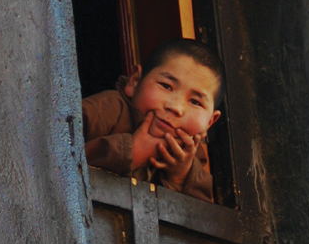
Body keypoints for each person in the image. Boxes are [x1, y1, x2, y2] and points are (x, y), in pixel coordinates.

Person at [82, 39, 224, 204]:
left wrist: (180, 177)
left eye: (195, 102)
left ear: (209, 122)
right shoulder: (106, 111)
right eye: (166, 86)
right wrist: (131, 153)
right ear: (135, 81)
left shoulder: (189, 155)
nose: (176, 107)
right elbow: (54, 159)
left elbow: (202, 220)